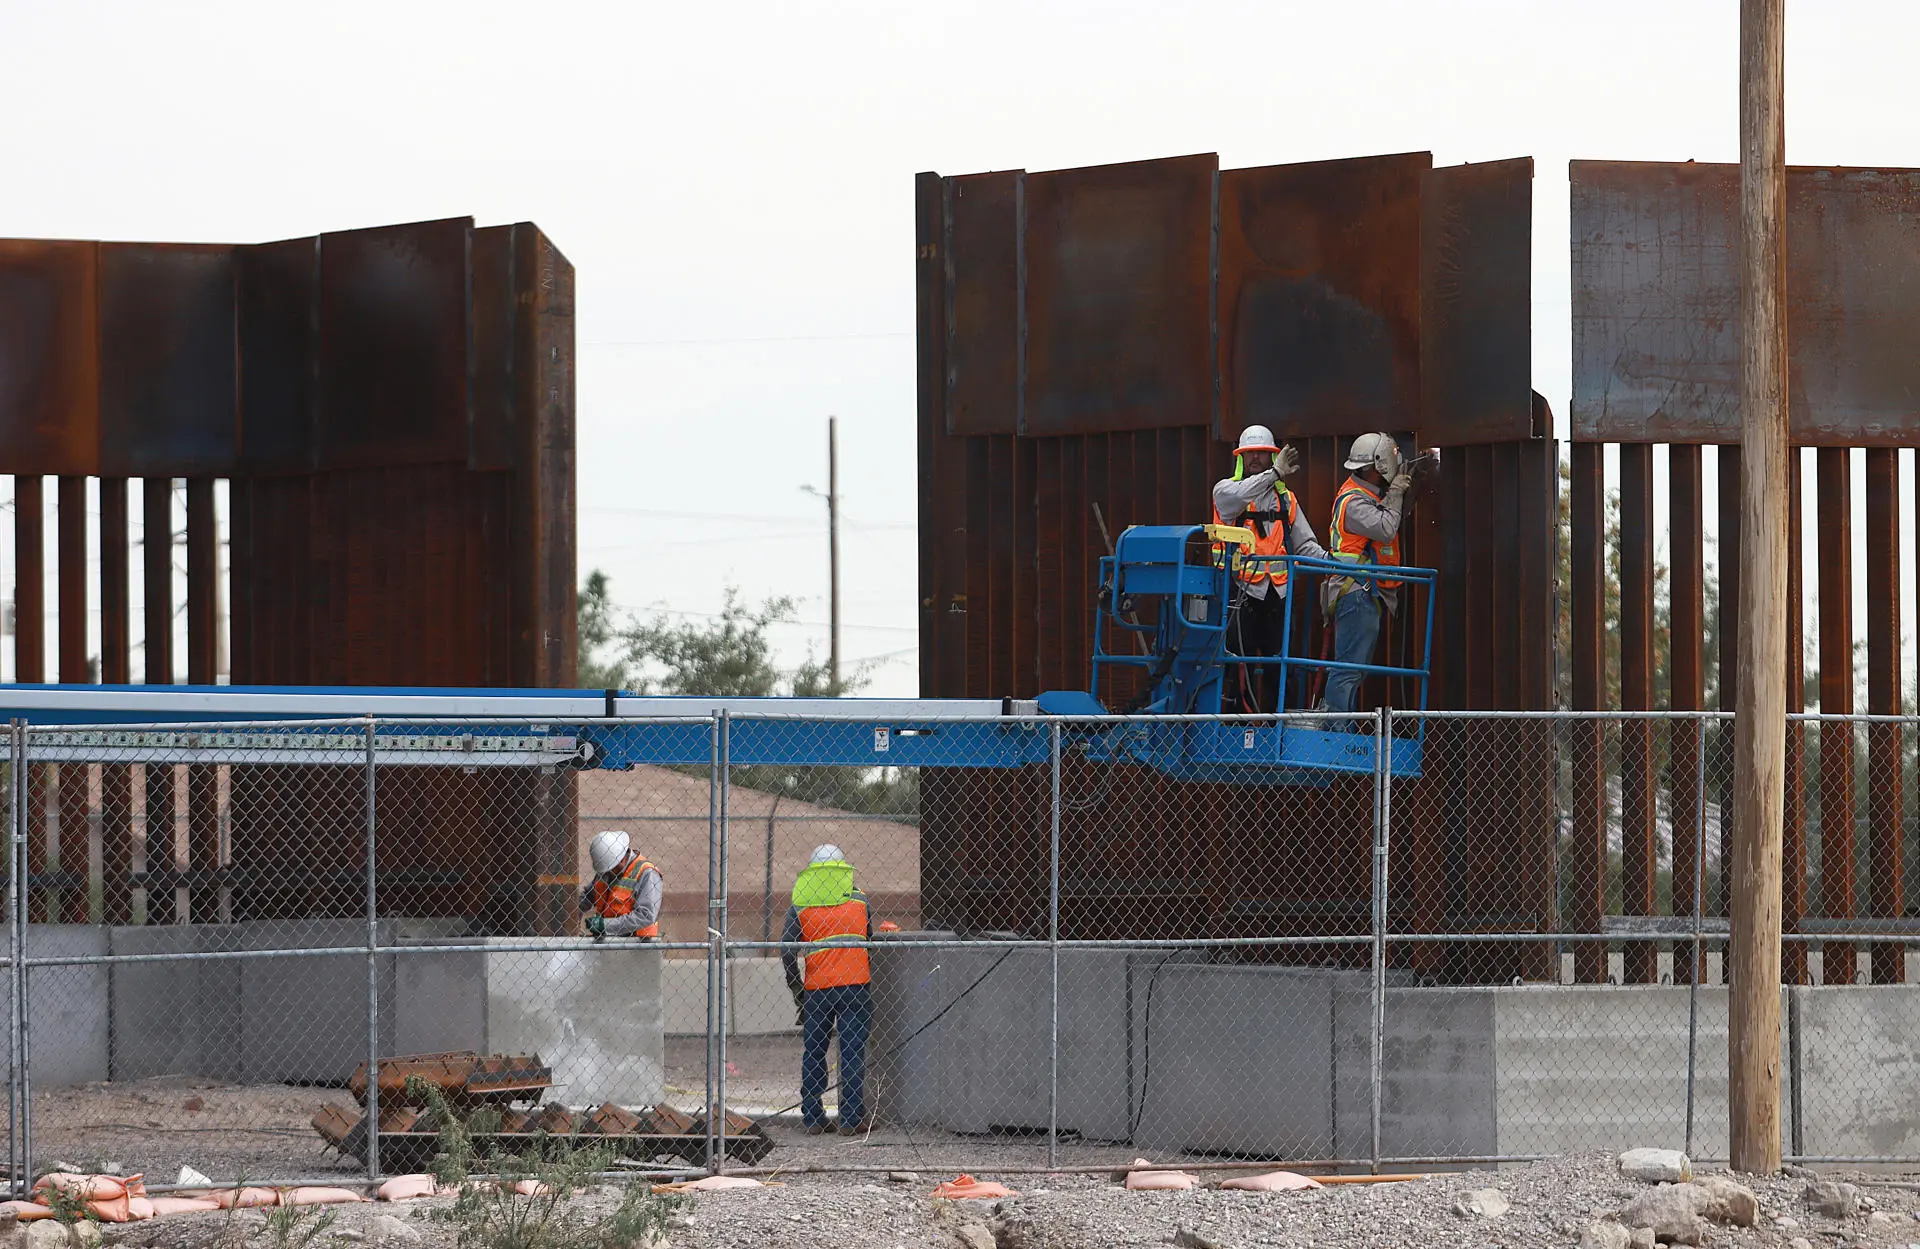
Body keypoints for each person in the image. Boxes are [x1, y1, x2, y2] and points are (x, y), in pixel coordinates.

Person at [1211, 424, 1328, 713]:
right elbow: (1241, 494)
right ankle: (1238, 733)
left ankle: (1280, 732)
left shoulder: (1286, 500)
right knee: (1239, 670)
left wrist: (1333, 563)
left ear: (1271, 455)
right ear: (1240, 457)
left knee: (1282, 671)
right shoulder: (1227, 492)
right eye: (1249, 454)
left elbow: (1306, 545)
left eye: (1261, 454)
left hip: (1279, 597)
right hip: (1239, 595)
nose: (1255, 459)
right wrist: (1274, 474)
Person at [782, 844, 873, 1136]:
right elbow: (870, 939)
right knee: (852, 1052)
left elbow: (786, 951)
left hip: (817, 989)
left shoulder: (800, 902)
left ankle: (812, 1117)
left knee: (814, 1051)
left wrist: (797, 988)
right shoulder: (859, 898)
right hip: (855, 986)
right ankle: (850, 1119)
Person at [1322, 432, 1413, 721]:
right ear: (1378, 464)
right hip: (1356, 592)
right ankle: (1336, 735)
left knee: (1354, 670)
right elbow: (1386, 528)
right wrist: (1397, 493)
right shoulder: (1355, 503)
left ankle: (1340, 730)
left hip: (1361, 593)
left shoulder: (1365, 496)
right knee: (1347, 671)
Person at [579, 830, 662, 940]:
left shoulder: (646, 873)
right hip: (607, 943)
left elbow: (645, 915)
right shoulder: (606, 871)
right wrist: (570, 912)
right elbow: (588, 897)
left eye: (610, 869)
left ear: (621, 860)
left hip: (636, 945)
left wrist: (605, 925)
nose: (605, 873)